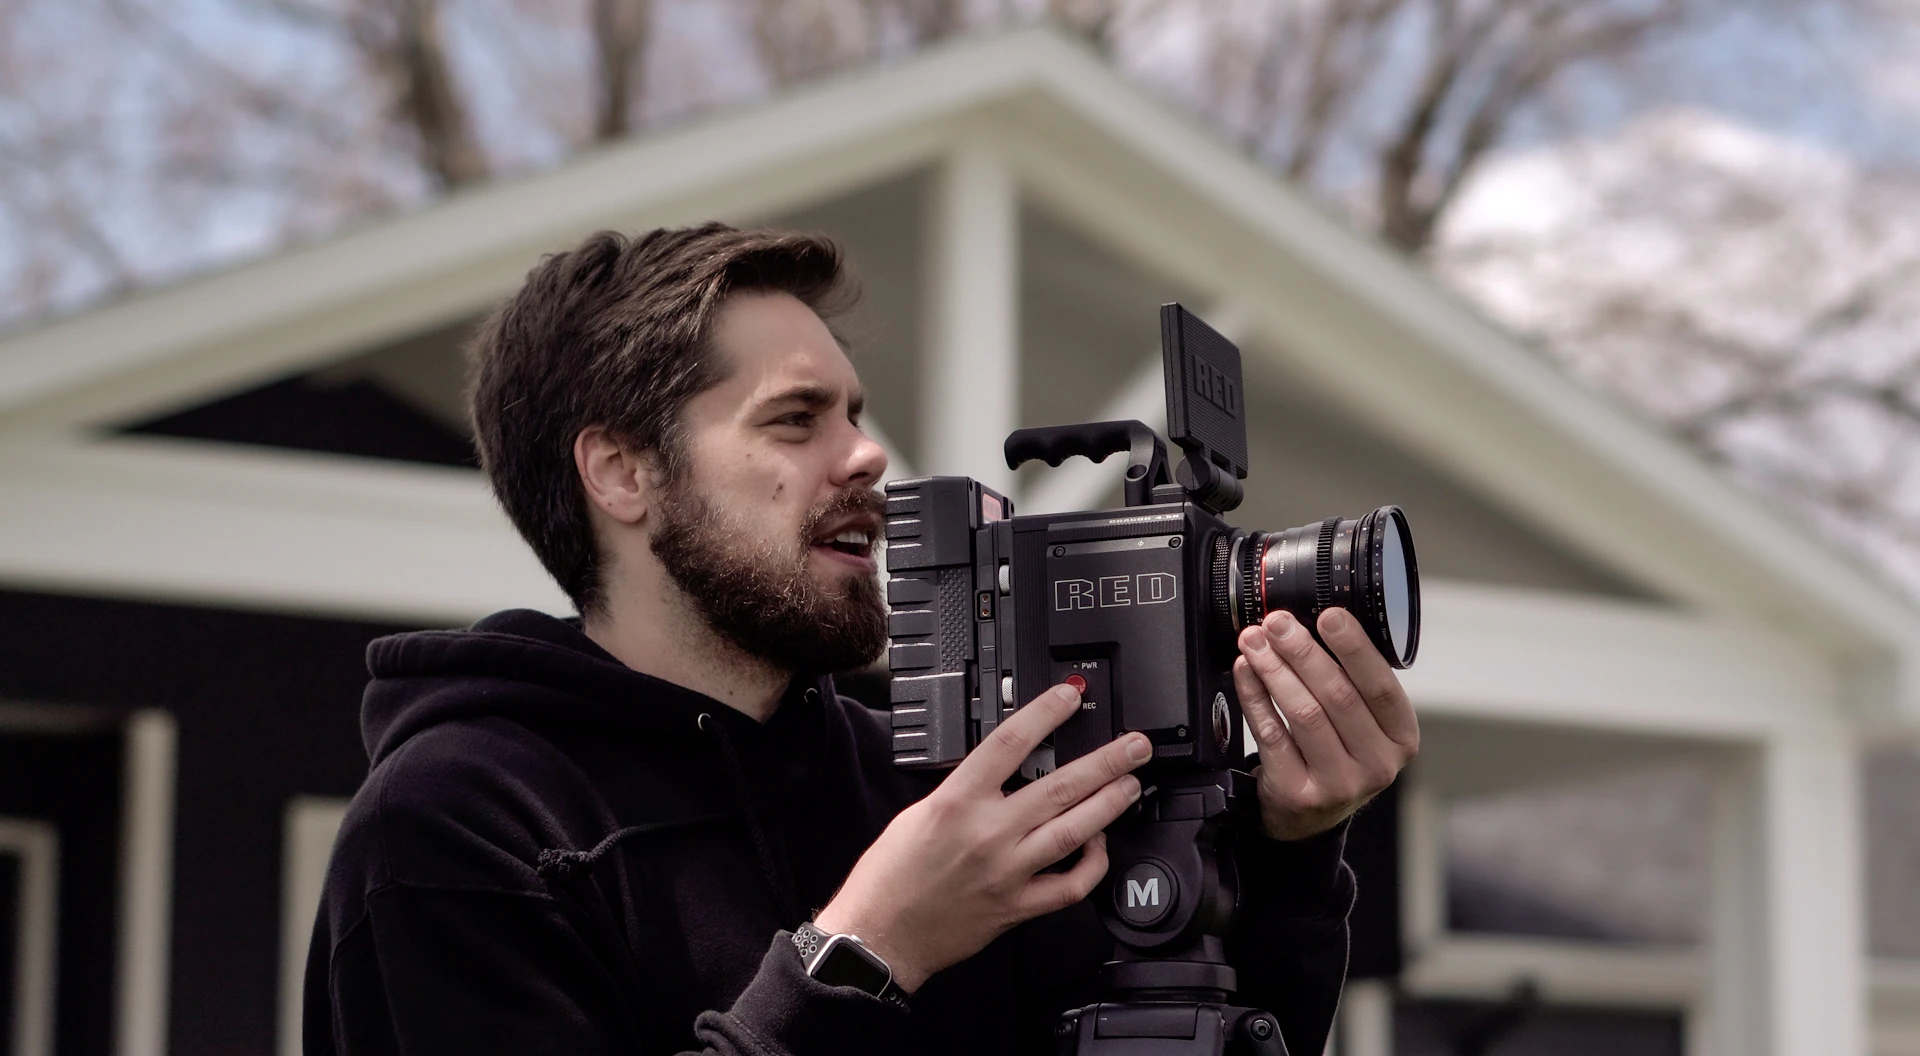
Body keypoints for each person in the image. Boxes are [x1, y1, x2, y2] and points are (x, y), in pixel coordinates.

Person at [303, 224, 1420, 1056]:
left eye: (855, 413)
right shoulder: (455, 827)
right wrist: (869, 952)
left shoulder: (935, 791)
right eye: (797, 419)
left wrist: (1287, 857)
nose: (868, 455)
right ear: (623, 473)